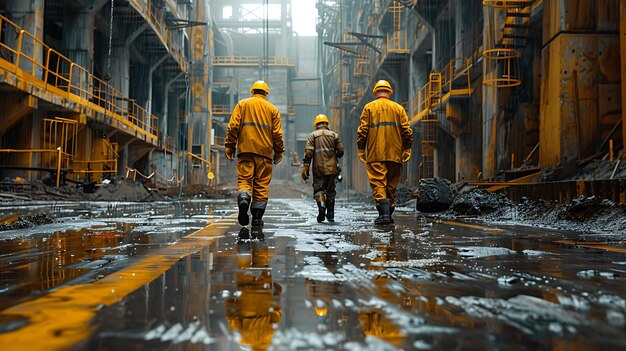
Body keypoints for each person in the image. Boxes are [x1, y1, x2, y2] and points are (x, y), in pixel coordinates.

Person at [224, 80, 284, 235]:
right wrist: (278, 151)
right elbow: (277, 134)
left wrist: (230, 146)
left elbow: (233, 127)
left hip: (245, 150)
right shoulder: (273, 110)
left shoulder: (242, 105)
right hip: (264, 153)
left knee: (245, 180)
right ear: (266, 93)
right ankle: (257, 219)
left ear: (252, 91)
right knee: (261, 185)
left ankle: (244, 197)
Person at [357, 80, 413, 225]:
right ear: (389, 92)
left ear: (375, 92)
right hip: (395, 153)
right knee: (391, 185)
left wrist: (362, 149)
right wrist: (407, 148)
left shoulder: (369, 108)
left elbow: (363, 131)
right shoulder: (399, 108)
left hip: (376, 153)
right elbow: (407, 131)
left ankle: (384, 215)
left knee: (378, 183)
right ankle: (389, 213)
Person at [301, 114, 344, 223]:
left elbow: (309, 152)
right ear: (327, 123)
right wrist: (334, 154)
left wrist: (305, 167)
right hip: (332, 168)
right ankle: (330, 215)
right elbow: (341, 151)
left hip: (318, 169)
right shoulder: (334, 135)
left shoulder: (312, 135)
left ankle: (321, 207)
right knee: (330, 191)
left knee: (319, 189)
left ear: (316, 124)